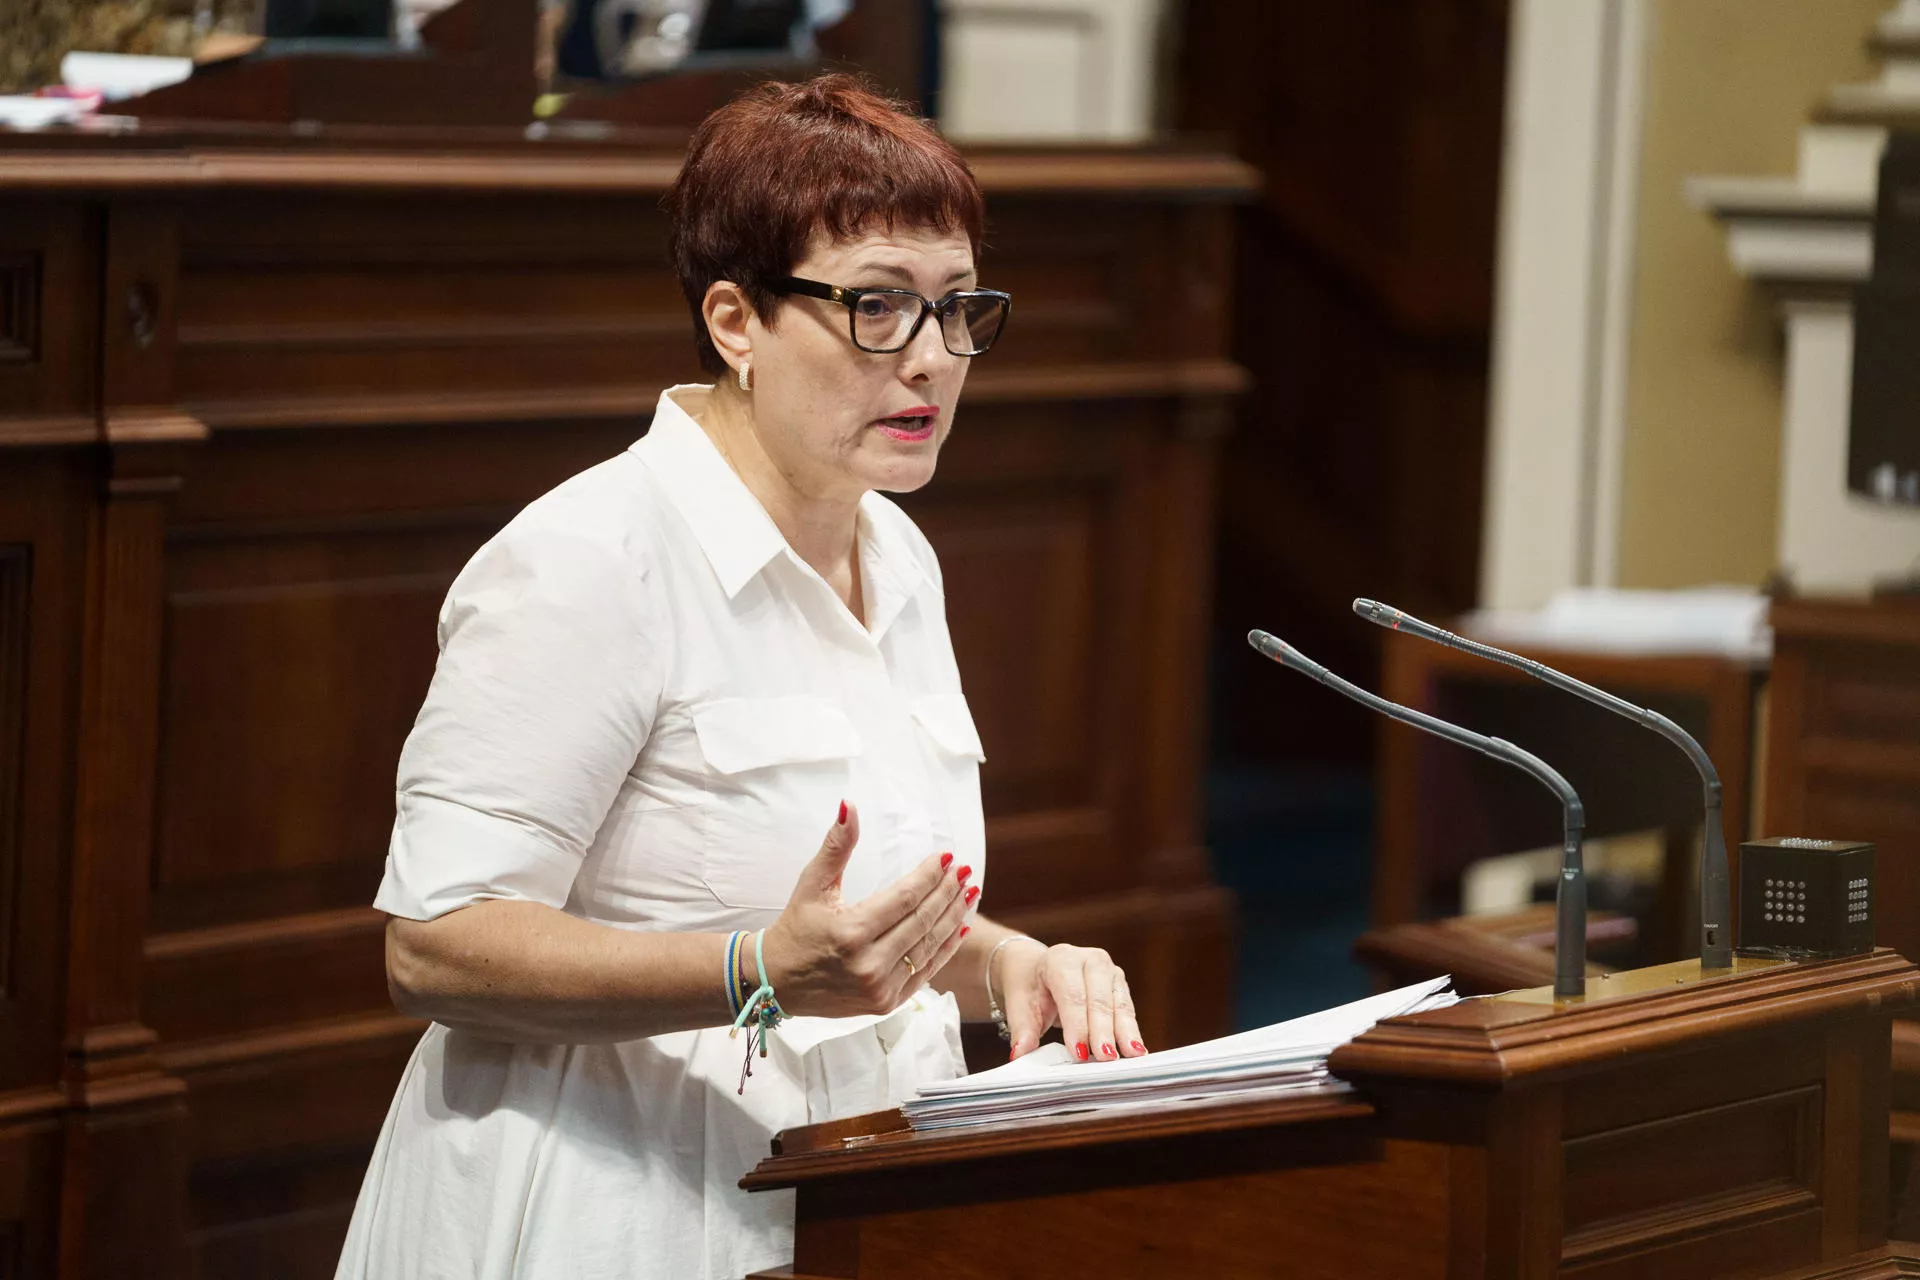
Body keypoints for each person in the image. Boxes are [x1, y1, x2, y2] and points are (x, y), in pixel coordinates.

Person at [335, 74, 1148, 1280]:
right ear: (735, 321)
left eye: (957, 308)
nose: (931, 360)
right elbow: (436, 945)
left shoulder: (896, 548)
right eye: (877, 306)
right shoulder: (590, 557)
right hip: (618, 1197)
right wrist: (753, 970)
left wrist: (1009, 960)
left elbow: (851, 913)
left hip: (865, 1186)